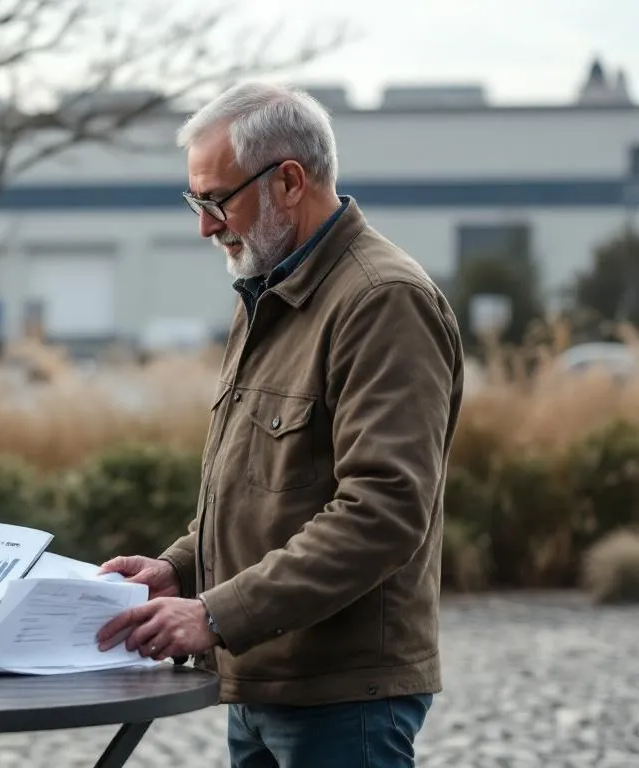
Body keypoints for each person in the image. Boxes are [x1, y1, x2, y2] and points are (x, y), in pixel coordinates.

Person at [96, 82, 464, 767]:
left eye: (216, 200)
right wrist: (180, 571)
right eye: (196, 201)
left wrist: (213, 616)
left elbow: (381, 512)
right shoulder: (269, 291)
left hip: (343, 698)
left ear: (289, 181)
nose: (205, 225)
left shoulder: (382, 301)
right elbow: (264, 488)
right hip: (267, 679)